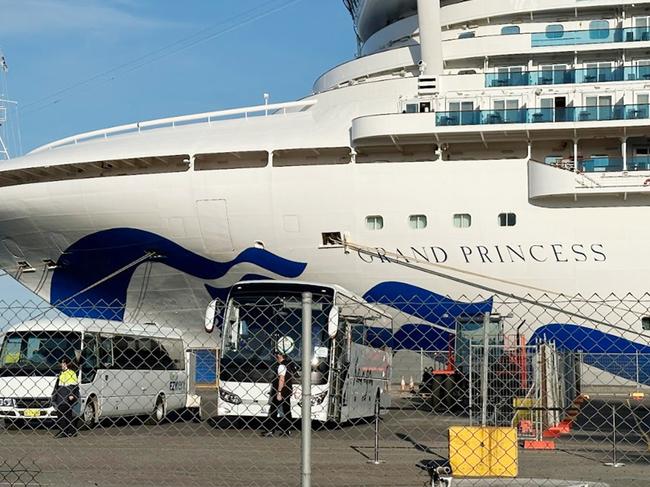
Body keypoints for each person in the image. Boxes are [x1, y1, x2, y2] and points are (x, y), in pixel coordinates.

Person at [264, 351, 294, 437]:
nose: (275, 357)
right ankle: (287, 430)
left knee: (273, 410)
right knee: (287, 411)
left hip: (282, 392)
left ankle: (271, 429)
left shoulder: (281, 366)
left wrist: (279, 392)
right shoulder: (288, 365)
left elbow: (281, 379)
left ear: (280, 356)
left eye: (277, 355)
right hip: (287, 391)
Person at [52, 357, 80, 438]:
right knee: (67, 414)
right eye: (61, 363)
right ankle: (72, 431)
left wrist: (71, 395)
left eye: (64, 363)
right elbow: (58, 386)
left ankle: (63, 431)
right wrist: (54, 395)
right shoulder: (61, 373)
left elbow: (73, 386)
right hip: (61, 395)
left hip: (67, 396)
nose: (62, 365)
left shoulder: (71, 373)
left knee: (61, 413)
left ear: (67, 364)